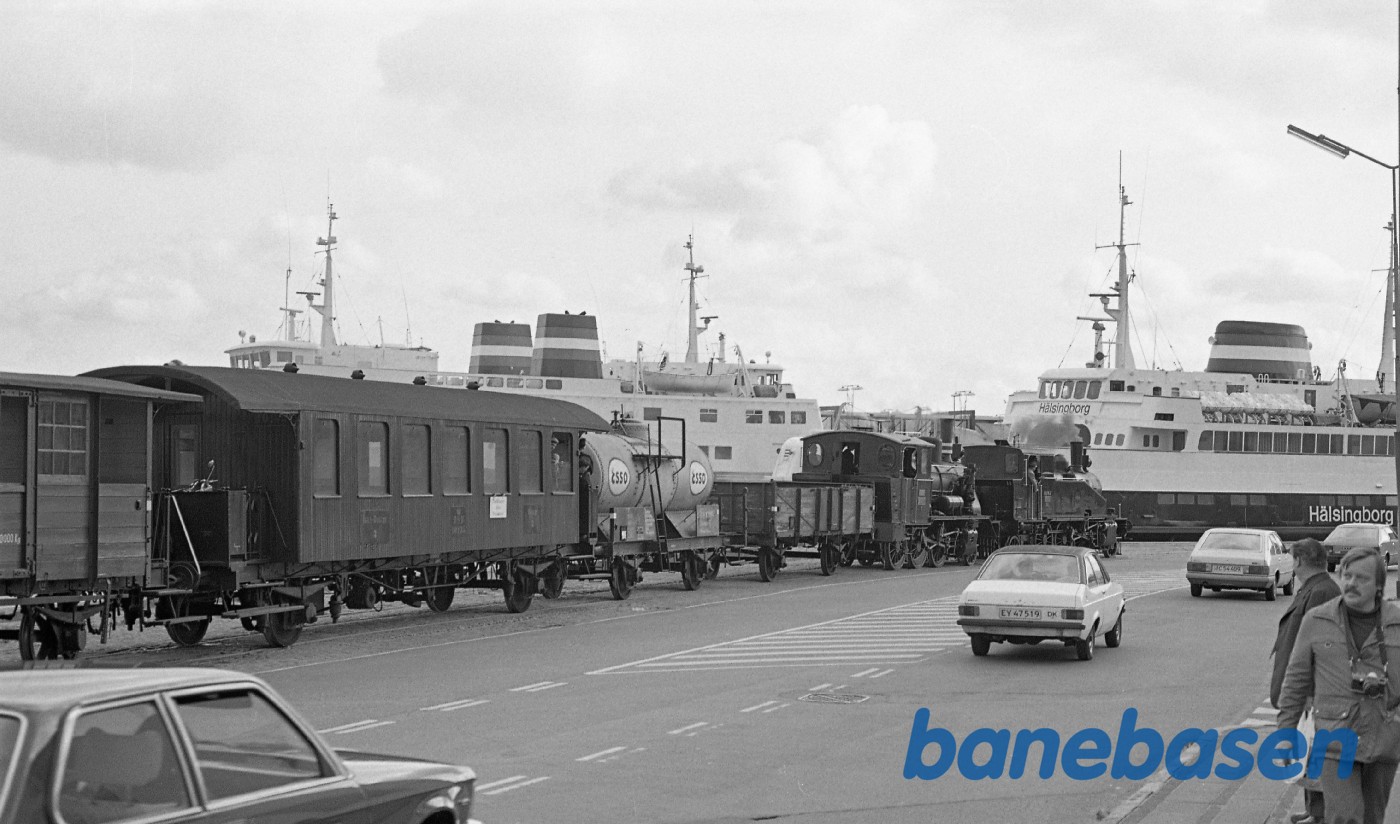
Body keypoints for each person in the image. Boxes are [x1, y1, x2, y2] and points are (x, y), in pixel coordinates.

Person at [1278, 547, 1400, 824]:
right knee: (1344, 817)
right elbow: (1295, 682)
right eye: (1347, 575)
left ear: (1379, 585)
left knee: (1371, 818)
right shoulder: (1317, 620)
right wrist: (1286, 734)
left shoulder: (1396, 624)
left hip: (1384, 739)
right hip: (1334, 739)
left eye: (1362, 578)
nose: (1351, 583)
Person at [1271, 538, 1342, 824]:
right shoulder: (1314, 588)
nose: (1292, 564)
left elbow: (1322, 646)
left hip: (1314, 690)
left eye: (1292, 559)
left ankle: (1322, 814)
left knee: (1317, 751)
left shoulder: (1322, 591)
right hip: (1304, 685)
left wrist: (1311, 691)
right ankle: (1314, 810)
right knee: (1309, 749)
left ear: (1299, 561)